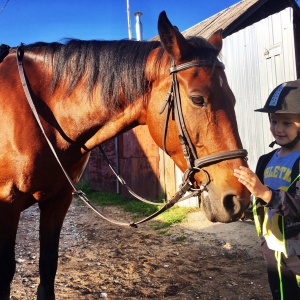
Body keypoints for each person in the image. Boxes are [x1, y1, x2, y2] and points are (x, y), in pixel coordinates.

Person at [233, 79, 300, 300]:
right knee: (280, 292)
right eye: (273, 121)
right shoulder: (266, 160)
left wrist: (264, 193)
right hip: (272, 246)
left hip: (298, 252)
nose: (278, 129)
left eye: (287, 123)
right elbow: (258, 202)